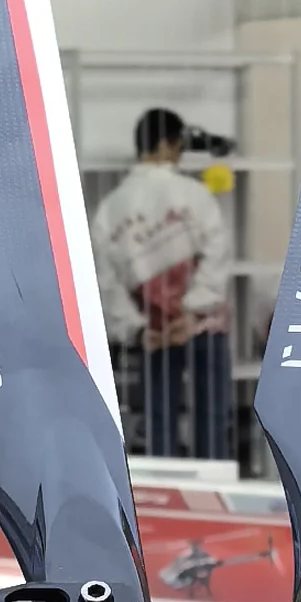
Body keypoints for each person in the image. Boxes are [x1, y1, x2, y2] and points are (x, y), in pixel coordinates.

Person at [92, 108, 233, 460]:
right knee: (211, 417)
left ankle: (163, 486)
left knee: (159, 420)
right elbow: (217, 252)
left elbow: (106, 282)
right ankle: (215, 483)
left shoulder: (110, 209)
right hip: (202, 327)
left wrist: (138, 329)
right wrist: (193, 310)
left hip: (153, 334)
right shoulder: (195, 195)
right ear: (168, 145)